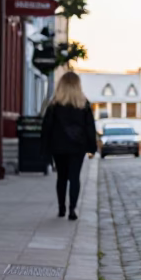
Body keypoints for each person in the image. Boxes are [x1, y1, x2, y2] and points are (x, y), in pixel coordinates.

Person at [40, 71, 99, 221]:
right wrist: (92, 147)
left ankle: (61, 208)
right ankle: (72, 209)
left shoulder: (54, 105)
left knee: (61, 177)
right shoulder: (84, 105)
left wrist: (45, 148)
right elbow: (89, 127)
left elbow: (47, 127)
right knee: (74, 177)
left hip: (58, 146)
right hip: (77, 147)